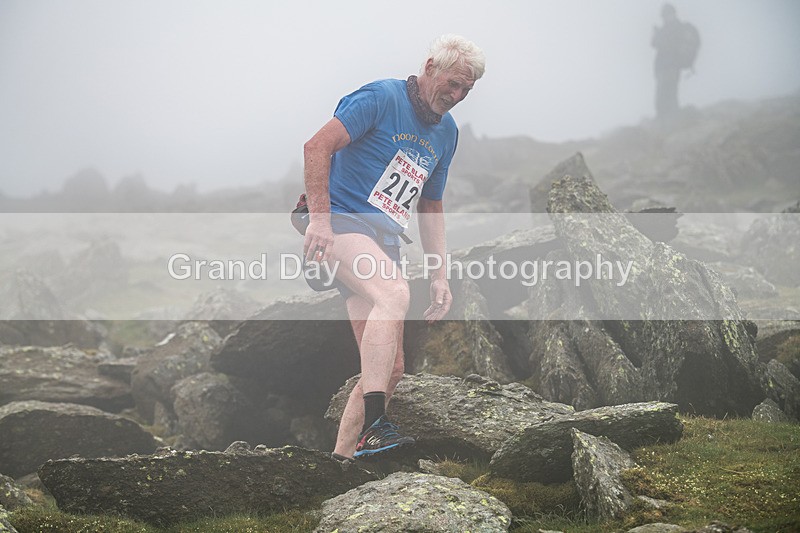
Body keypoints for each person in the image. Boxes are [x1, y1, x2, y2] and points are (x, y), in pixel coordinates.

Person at [302, 34, 485, 460]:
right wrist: (321, 221)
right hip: (341, 222)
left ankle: (340, 466)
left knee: (389, 367)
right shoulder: (381, 97)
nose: (456, 96)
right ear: (430, 67)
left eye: (467, 90)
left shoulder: (448, 133)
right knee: (395, 293)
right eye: (453, 83)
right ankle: (376, 427)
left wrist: (440, 273)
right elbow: (316, 146)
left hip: (383, 240)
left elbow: (432, 204)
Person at [652, 3, 700, 119]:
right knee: (666, 94)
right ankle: (668, 121)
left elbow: (662, 46)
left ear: (672, 14)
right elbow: (654, 44)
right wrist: (657, 34)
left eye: (666, 15)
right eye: (664, 16)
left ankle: (669, 122)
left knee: (666, 95)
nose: (665, 18)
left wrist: (659, 35)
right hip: (664, 67)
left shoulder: (677, 29)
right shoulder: (667, 29)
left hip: (671, 66)